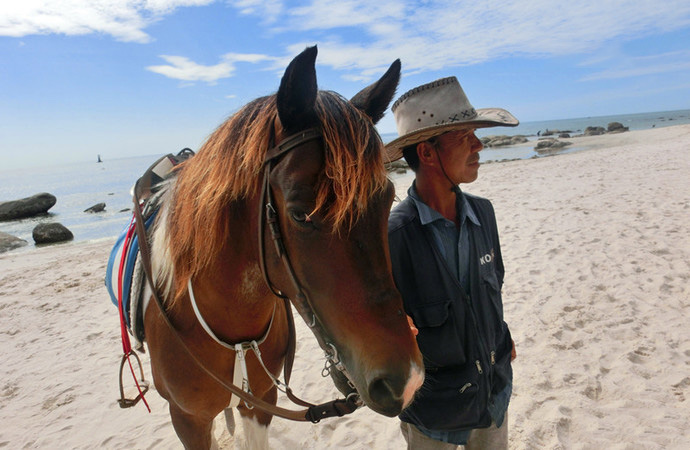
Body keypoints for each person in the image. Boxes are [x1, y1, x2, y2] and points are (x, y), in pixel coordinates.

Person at [386, 76, 518, 449]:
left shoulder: (484, 214)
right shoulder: (394, 235)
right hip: (432, 413)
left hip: (493, 394)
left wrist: (500, 337)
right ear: (427, 153)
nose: (479, 145)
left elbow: (495, 287)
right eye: (465, 137)